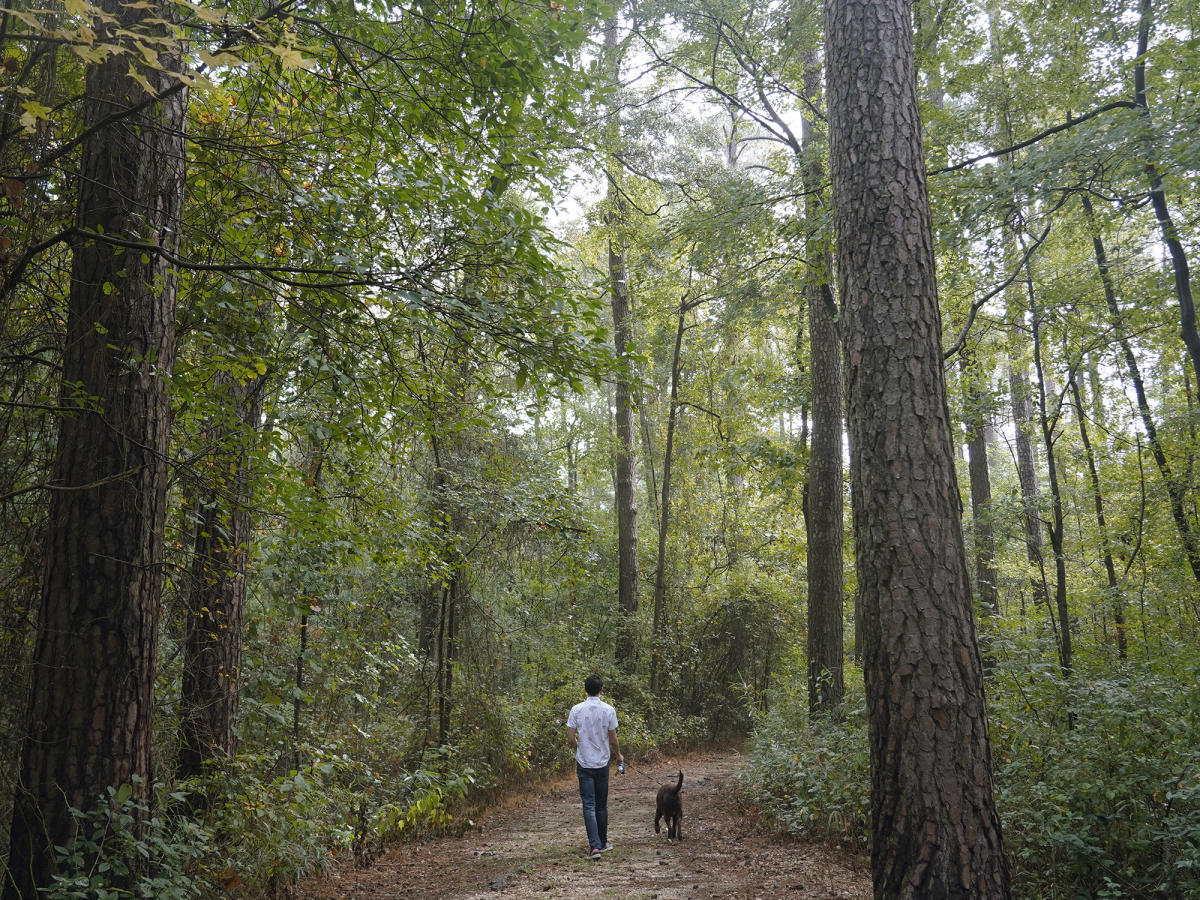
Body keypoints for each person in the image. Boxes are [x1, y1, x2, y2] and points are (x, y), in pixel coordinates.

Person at [566, 673, 624, 860]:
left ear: (585, 689)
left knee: (588, 804)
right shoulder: (609, 710)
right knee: (601, 804)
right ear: (601, 690)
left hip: (584, 763)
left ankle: (594, 847)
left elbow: (570, 738)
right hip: (602, 763)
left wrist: (579, 747)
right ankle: (603, 842)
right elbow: (613, 739)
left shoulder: (576, 709)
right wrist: (618, 755)